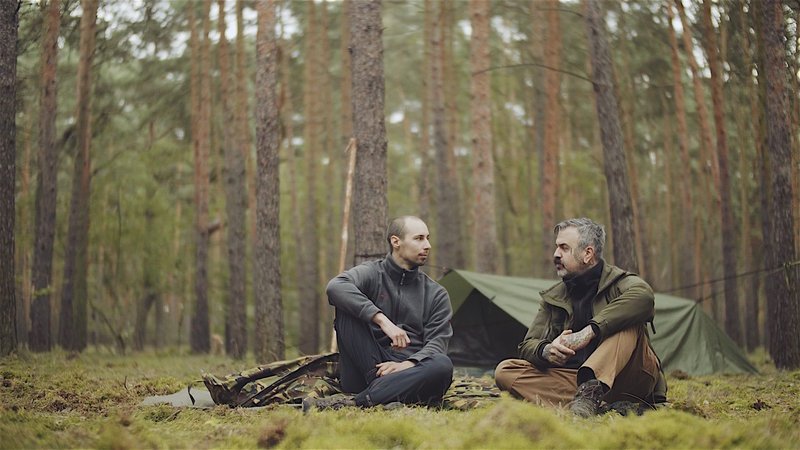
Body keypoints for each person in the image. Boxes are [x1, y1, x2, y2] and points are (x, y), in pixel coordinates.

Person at [494, 217, 667, 417]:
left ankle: (593, 396)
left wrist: (590, 331)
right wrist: (546, 350)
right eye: (556, 247)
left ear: (588, 254)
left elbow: (644, 296)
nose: (556, 254)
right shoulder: (554, 297)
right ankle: (600, 406)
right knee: (505, 371)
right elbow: (527, 345)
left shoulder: (619, 282)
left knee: (628, 322)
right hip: (575, 381)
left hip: (629, 377)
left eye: (564, 248)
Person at [303, 216, 454, 411]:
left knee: (442, 365)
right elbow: (335, 287)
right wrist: (382, 320)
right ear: (396, 241)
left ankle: (357, 402)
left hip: (409, 374)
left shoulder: (436, 294)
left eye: (427, 238)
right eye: (419, 238)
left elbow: (437, 344)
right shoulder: (372, 274)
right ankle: (385, 396)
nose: (427, 245)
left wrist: (406, 365)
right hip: (367, 369)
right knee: (346, 308)